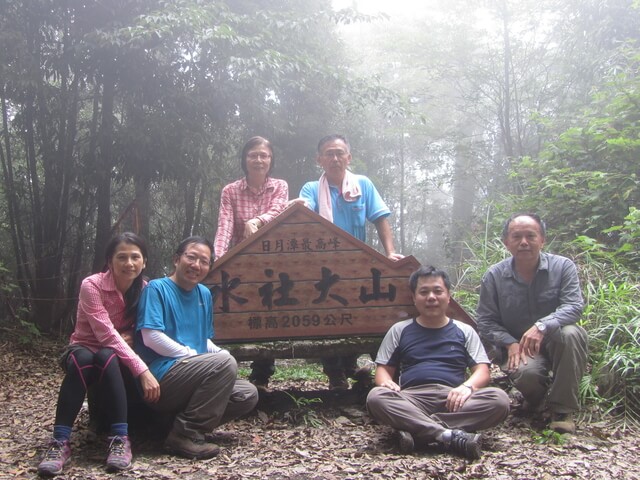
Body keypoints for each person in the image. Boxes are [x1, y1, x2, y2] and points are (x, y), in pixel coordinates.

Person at [37, 233, 160, 477]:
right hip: (83, 346)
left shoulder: (145, 289)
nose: (129, 263)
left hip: (111, 353)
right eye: (121, 257)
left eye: (135, 257)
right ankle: (60, 442)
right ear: (109, 261)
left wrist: (131, 335)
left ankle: (119, 439)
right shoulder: (91, 285)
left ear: (144, 261)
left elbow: (145, 326)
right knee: (83, 360)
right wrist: (142, 370)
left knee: (107, 357)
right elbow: (105, 333)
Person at [366, 266, 510, 460]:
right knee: (376, 397)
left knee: (499, 400)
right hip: (413, 399)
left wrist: (467, 387)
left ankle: (420, 431)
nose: (431, 297)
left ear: (448, 296)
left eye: (437, 291)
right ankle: (448, 435)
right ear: (414, 297)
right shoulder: (400, 330)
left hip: (455, 399)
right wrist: (386, 383)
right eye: (424, 292)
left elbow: (482, 371)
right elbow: (383, 369)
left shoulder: (464, 330)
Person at [135, 236, 258, 459]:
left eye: (204, 261)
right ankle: (185, 435)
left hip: (195, 374)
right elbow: (151, 336)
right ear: (176, 259)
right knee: (223, 364)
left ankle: (170, 425)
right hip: (163, 376)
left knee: (247, 394)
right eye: (191, 258)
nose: (197, 265)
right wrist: (191, 355)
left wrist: (220, 353)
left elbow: (203, 340)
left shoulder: (203, 294)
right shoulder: (157, 289)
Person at [298, 134, 403, 390]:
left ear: (349, 157)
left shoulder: (362, 185)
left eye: (339, 153)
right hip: (322, 268)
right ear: (319, 159)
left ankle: (351, 365)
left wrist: (390, 253)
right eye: (329, 153)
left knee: (355, 315)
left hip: (357, 267)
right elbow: (304, 209)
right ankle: (335, 372)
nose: (335, 158)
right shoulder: (311, 188)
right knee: (327, 316)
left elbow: (380, 219)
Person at [476, 213, 588, 434]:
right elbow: (486, 321)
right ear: (506, 242)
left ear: (542, 240)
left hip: (556, 338)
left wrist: (542, 326)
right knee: (527, 376)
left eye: (531, 236)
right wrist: (509, 343)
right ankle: (536, 398)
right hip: (519, 346)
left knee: (571, 334)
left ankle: (562, 410)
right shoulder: (494, 276)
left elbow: (574, 306)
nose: (524, 242)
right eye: (516, 236)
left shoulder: (562, 267)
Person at [214, 136, 288, 391]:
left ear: (271, 160)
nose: (258, 160)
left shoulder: (279, 186)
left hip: (272, 264)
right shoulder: (231, 190)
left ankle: (262, 373)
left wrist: (256, 220)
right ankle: (228, 372)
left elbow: (280, 211)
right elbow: (224, 226)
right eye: (253, 155)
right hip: (241, 263)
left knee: (267, 313)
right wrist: (218, 260)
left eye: (264, 155)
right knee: (240, 314)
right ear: (244, 159)